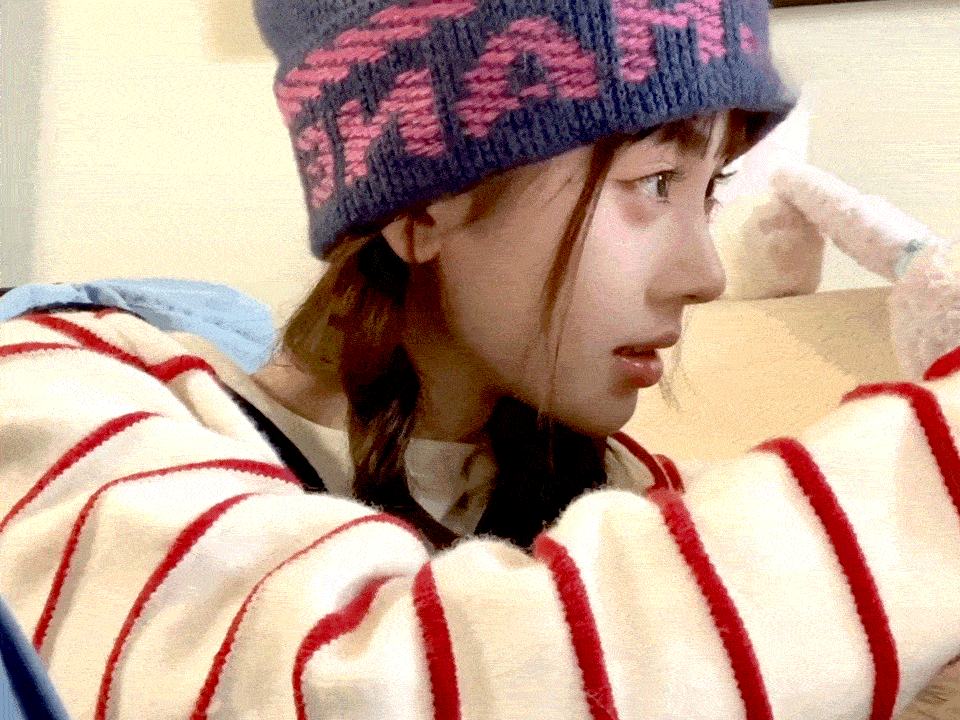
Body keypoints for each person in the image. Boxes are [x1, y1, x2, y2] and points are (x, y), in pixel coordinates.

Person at [1, 0, 960, 718]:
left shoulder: (607, 492)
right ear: (422, 205)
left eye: (709, 192)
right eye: (655, 180)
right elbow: (343, 685)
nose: (705, 275)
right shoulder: (64, 390)